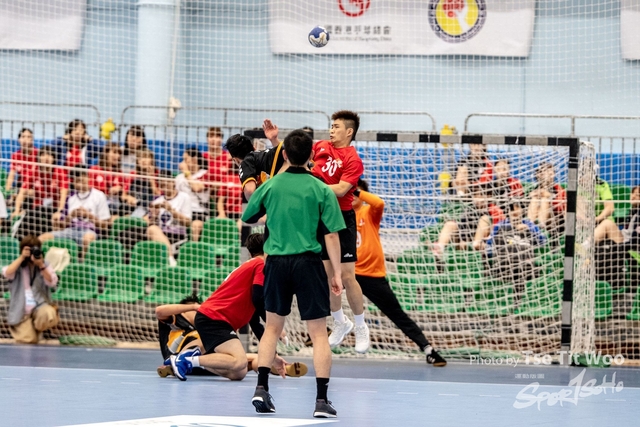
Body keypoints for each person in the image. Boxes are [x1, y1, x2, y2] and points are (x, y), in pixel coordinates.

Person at [242, 129, 345, 418]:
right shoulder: (321, 188)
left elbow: (248, 216)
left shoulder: (271, 186)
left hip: (276, 262)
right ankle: (321, 401)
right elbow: (332, 235)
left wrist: (273, 212)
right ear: (311, 155)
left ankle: (261, 388)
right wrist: (337, 274)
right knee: (319, 333)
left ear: (285, 154)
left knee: (272, 328)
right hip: (308, 263)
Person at [166, 234, 307, 381]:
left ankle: (190, 361)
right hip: (215, 319)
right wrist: (274, 324)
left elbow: (254, 321)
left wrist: (273, 355)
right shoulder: (261, 264)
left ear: (250, 253)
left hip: (213, 319)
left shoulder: (250, 267)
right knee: (239, 361)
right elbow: (258, 298)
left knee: (238, 372)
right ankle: (185, 360)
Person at [352, 179, 447, 366]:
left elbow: (379, 202)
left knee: (396, 313)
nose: (353, 195)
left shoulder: (369, 212)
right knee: (322, 296)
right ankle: (316, 336)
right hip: (349, 273)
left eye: (358, 191)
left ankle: (428, 349)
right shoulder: (340, 214)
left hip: (371, 274)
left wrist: (353, 190)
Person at [306, 110, 370, 354]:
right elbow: (297, 156)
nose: (331, 130)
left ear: (349, 131)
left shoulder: (353, 160)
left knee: (346, 276)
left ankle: (361, 326)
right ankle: (340, 321)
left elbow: (342, 189)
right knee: (327, 275)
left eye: (336, 127)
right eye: (331, 126)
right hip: (319, 216)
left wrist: (311, 186)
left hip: (341, 219)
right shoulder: (320, 146)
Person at [485, 201, 547, 306]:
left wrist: (529, 230)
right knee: (515, 267)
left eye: (517, 209)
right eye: (512, 210)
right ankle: (516, 304)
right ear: (508, 212)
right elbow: (489, 246)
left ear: (522, 211)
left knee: (522, 268)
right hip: (504, 264)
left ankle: (517, 304)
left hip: (525, 265)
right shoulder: (500, 226)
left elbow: (543, 241)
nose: (515, 212)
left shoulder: (530, 225)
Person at [39, 166, 111, 255]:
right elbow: (62, 226)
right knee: (42, 238)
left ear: (88, 177)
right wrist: (71, 216)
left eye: (82, 180)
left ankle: (83, 263)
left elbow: (105, 225)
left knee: (87, 239)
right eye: (77, 181)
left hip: (89, 231)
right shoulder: (70, 197)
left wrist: (88, 215)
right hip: (70, 231)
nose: (80, 184)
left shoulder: (99, 195)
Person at [2, 235, 59, 344]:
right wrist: (22, 257)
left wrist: (41, 265)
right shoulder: (17, 265)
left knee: (49, 313)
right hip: (22, 312)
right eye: (28, 249)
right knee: (29, 340)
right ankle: (31, 330)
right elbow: (7, 273)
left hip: (39, 306)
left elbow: (52, 282)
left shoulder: (44, 264)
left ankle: (38, 327)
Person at [12, 147, 69, 239]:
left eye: (49, 155)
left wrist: (60, 211)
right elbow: (22, 192)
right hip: (37, 209)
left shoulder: (59, 172)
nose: (46, 158)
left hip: (54, 209)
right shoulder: (34, 171)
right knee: (29, 218)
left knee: (52, 221)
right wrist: (16, 210)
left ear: (54, 158)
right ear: (39, 158)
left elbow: (63, 194)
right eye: (43, 155)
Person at [225, 120, 286, 201]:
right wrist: (274, 139)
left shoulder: (245, 162)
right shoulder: (265, 154)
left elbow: (250, 192)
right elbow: (284, 155)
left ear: (235, 160)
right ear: (254, 148)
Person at [147, 170, 192, 266]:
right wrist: (153, 217)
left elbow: (188, 222)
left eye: (167, 183)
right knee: (152, 229)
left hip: (177, 234)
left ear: (173, 182)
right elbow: (150, 222)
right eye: (162, 185)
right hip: (161, 233)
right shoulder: (157, 201)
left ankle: (170, 260)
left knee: (153, 230)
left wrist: (171, 210)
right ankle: (171, 260)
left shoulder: (184, 197)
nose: (165, 186)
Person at [175, 147, 210, 242]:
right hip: (181, 211)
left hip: (198, 211)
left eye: (185, 159)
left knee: (196, 225)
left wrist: (186, 172)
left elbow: (196, 188)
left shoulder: (205, 174)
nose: (182, 162)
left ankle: (194, 247)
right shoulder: (179, 177)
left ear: (194, 160)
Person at [89, 142, 131, 215]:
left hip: (117, 205)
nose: (117, 156)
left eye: (119, 153)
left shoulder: (119, 172)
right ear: (106, 153)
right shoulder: (94, 170)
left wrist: (120, 189)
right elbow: (90, 190)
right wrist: (108, 191)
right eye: (114, 152)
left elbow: (125, 190)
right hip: (98, 204)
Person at [121, 148, 161, 217]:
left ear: (152, 160)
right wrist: (128, 198)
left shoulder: (158, 174)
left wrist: (151, 177)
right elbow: (123, 196)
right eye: (140, 158)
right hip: (133, 206)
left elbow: (158, 195)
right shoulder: (133, 174)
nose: (143, 160)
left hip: (150, 208)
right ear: (137, 161)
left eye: (146, 157)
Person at [527, 162, 566, 231]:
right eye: (546, 172)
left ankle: (540, 228)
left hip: (553, 219)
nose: (550, 175)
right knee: (534, 199)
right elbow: (524, 203)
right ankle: (530, 225)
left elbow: (560, 207)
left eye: (552, 173)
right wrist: (533, 195)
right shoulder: (533, 188)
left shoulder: (558, 189)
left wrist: (548, 196)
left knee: (544, 200)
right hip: (535, 214)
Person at [5, 128, 38, 195]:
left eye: (28, 137)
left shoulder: (38, 154)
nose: (25, 139)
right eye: (23, 136)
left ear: (32, 139)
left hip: (35, 185)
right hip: (21, 185)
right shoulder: (15, 155)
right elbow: (11, 174)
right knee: (12, 195)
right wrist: (6, 191)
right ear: (19, 139)